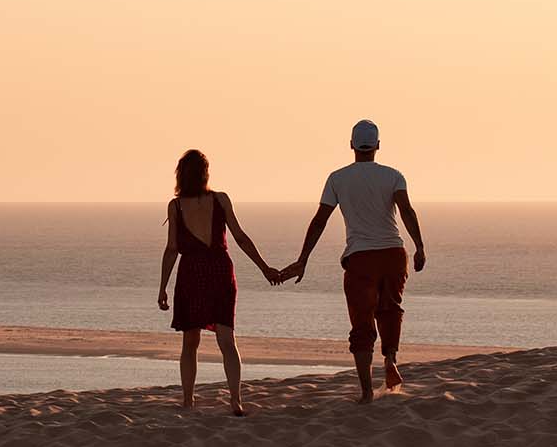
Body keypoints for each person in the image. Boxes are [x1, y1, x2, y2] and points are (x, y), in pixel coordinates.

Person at [277, 119, 427, 403]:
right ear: (378, 146)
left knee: (362, 323)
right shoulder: (393, 175)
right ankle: (391, 358)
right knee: (390, 308)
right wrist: (419, 246)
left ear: (351, 146)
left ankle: (367, 391)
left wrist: (303, 258)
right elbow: (406, 210)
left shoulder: (337, 178)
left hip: (361, 258)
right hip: (394, 253)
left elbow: (320, 220)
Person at [157, 149, 282, 415]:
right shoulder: (220, 199)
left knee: (190, 341)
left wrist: (162, 288)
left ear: (181, 174)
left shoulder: (176, 206)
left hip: (192, 274)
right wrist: (264, 268)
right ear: (205, 174)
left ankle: (188, 400)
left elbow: (172, 249)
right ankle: (235, 400)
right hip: (220, 271)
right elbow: (241, 237)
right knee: (227, 339)